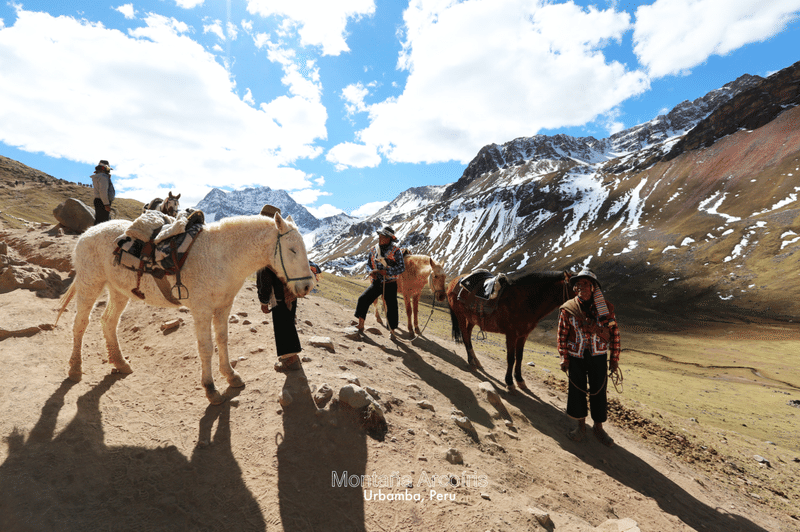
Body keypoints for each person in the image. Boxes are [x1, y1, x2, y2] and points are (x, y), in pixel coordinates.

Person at [557, 268, 620, 447]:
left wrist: (614, 358)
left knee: (598, 391)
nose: (581, 287)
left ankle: (598, 427)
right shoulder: (568, 309)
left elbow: (614, 332)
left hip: (598, 356)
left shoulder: (606, 308)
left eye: (585, 283)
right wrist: (564, 357)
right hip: (576, 356)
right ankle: (581, 426)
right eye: (578, 284)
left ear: (593, 287)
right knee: (577, 391)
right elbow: (562, 334)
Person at [256, 205, 321, 372]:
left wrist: (263, 300)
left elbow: (264, 277)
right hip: (291, 292)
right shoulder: (285, 240)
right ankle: (293, 357)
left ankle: (289, 360)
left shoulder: (267, 248)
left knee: (282, 325)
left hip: (277, 294)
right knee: (288, 322)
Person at [354, 226, 405, 338]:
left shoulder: (396, 251)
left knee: (391, 307)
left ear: (389, 239)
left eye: (383, 237)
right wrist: (370, 271)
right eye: (380, 236)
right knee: (363, 299)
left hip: (390, 283)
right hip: (377, 282)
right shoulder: (373, 249)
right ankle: (361, 324)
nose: (380, 238)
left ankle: (392, 331)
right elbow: (368, 264)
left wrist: (386, 271)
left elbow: (401, 268)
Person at [91, 159, 115, 225]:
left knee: (99, 220)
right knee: (103, 222)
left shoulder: (98, 177)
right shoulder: (103, 177)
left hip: (100, 201)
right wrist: (106, 204)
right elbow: (103, 191)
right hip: (103, 202)